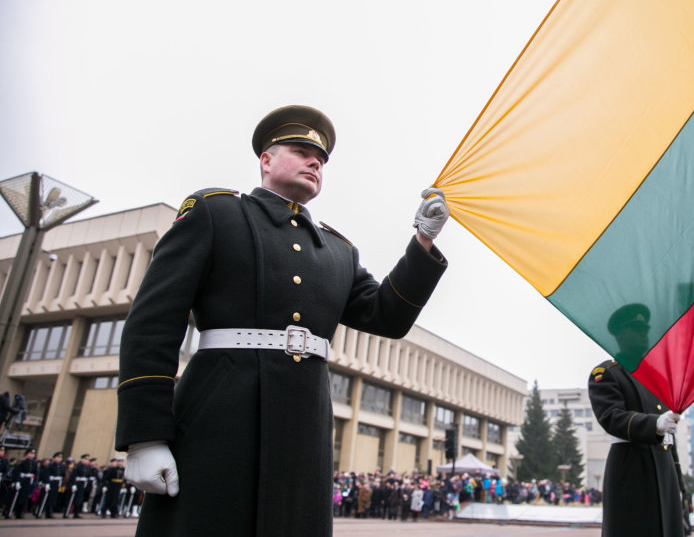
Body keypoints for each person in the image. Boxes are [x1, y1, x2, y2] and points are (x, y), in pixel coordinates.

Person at [115, 104, 449, 537]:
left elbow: (388, 315)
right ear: (266, 160)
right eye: (301, 150)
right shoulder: (216, 214)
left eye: (322, 159)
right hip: (218, 418)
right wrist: (145, 435)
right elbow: (153, 323)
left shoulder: (337, 251)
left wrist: (422, 240)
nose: (316, 162)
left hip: (304, 428)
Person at [588, 303, 687, 536]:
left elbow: (670, 441)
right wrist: (654, 424)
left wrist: (679, 484)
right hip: (632, 473)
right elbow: (611, 417)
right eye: (636, 329)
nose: (644, 333)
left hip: (664, 475)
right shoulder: (606, 374)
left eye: (645, 329)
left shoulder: (657, 379)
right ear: (620, 335)